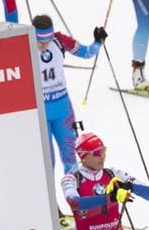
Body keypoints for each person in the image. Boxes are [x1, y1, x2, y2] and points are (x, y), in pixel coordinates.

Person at [61, 132, 149, 230]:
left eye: (104, 151)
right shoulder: (72, 178)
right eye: (97, 153)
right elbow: (75, 203)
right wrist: (110, 198)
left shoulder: (113, 174)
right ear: (83, 156)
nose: (102, 156)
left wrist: (129, 186)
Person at [32, 15, 100, 174]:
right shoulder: (25, 45)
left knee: (70, 158)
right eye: (39, 42)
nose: (44, 46)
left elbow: (87, 53)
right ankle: (48, 199)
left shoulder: (59, 40)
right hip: (40, 111)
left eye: (47, 41)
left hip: (63, 109)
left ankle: (76, 196)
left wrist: (97, 42)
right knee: (47, 161)